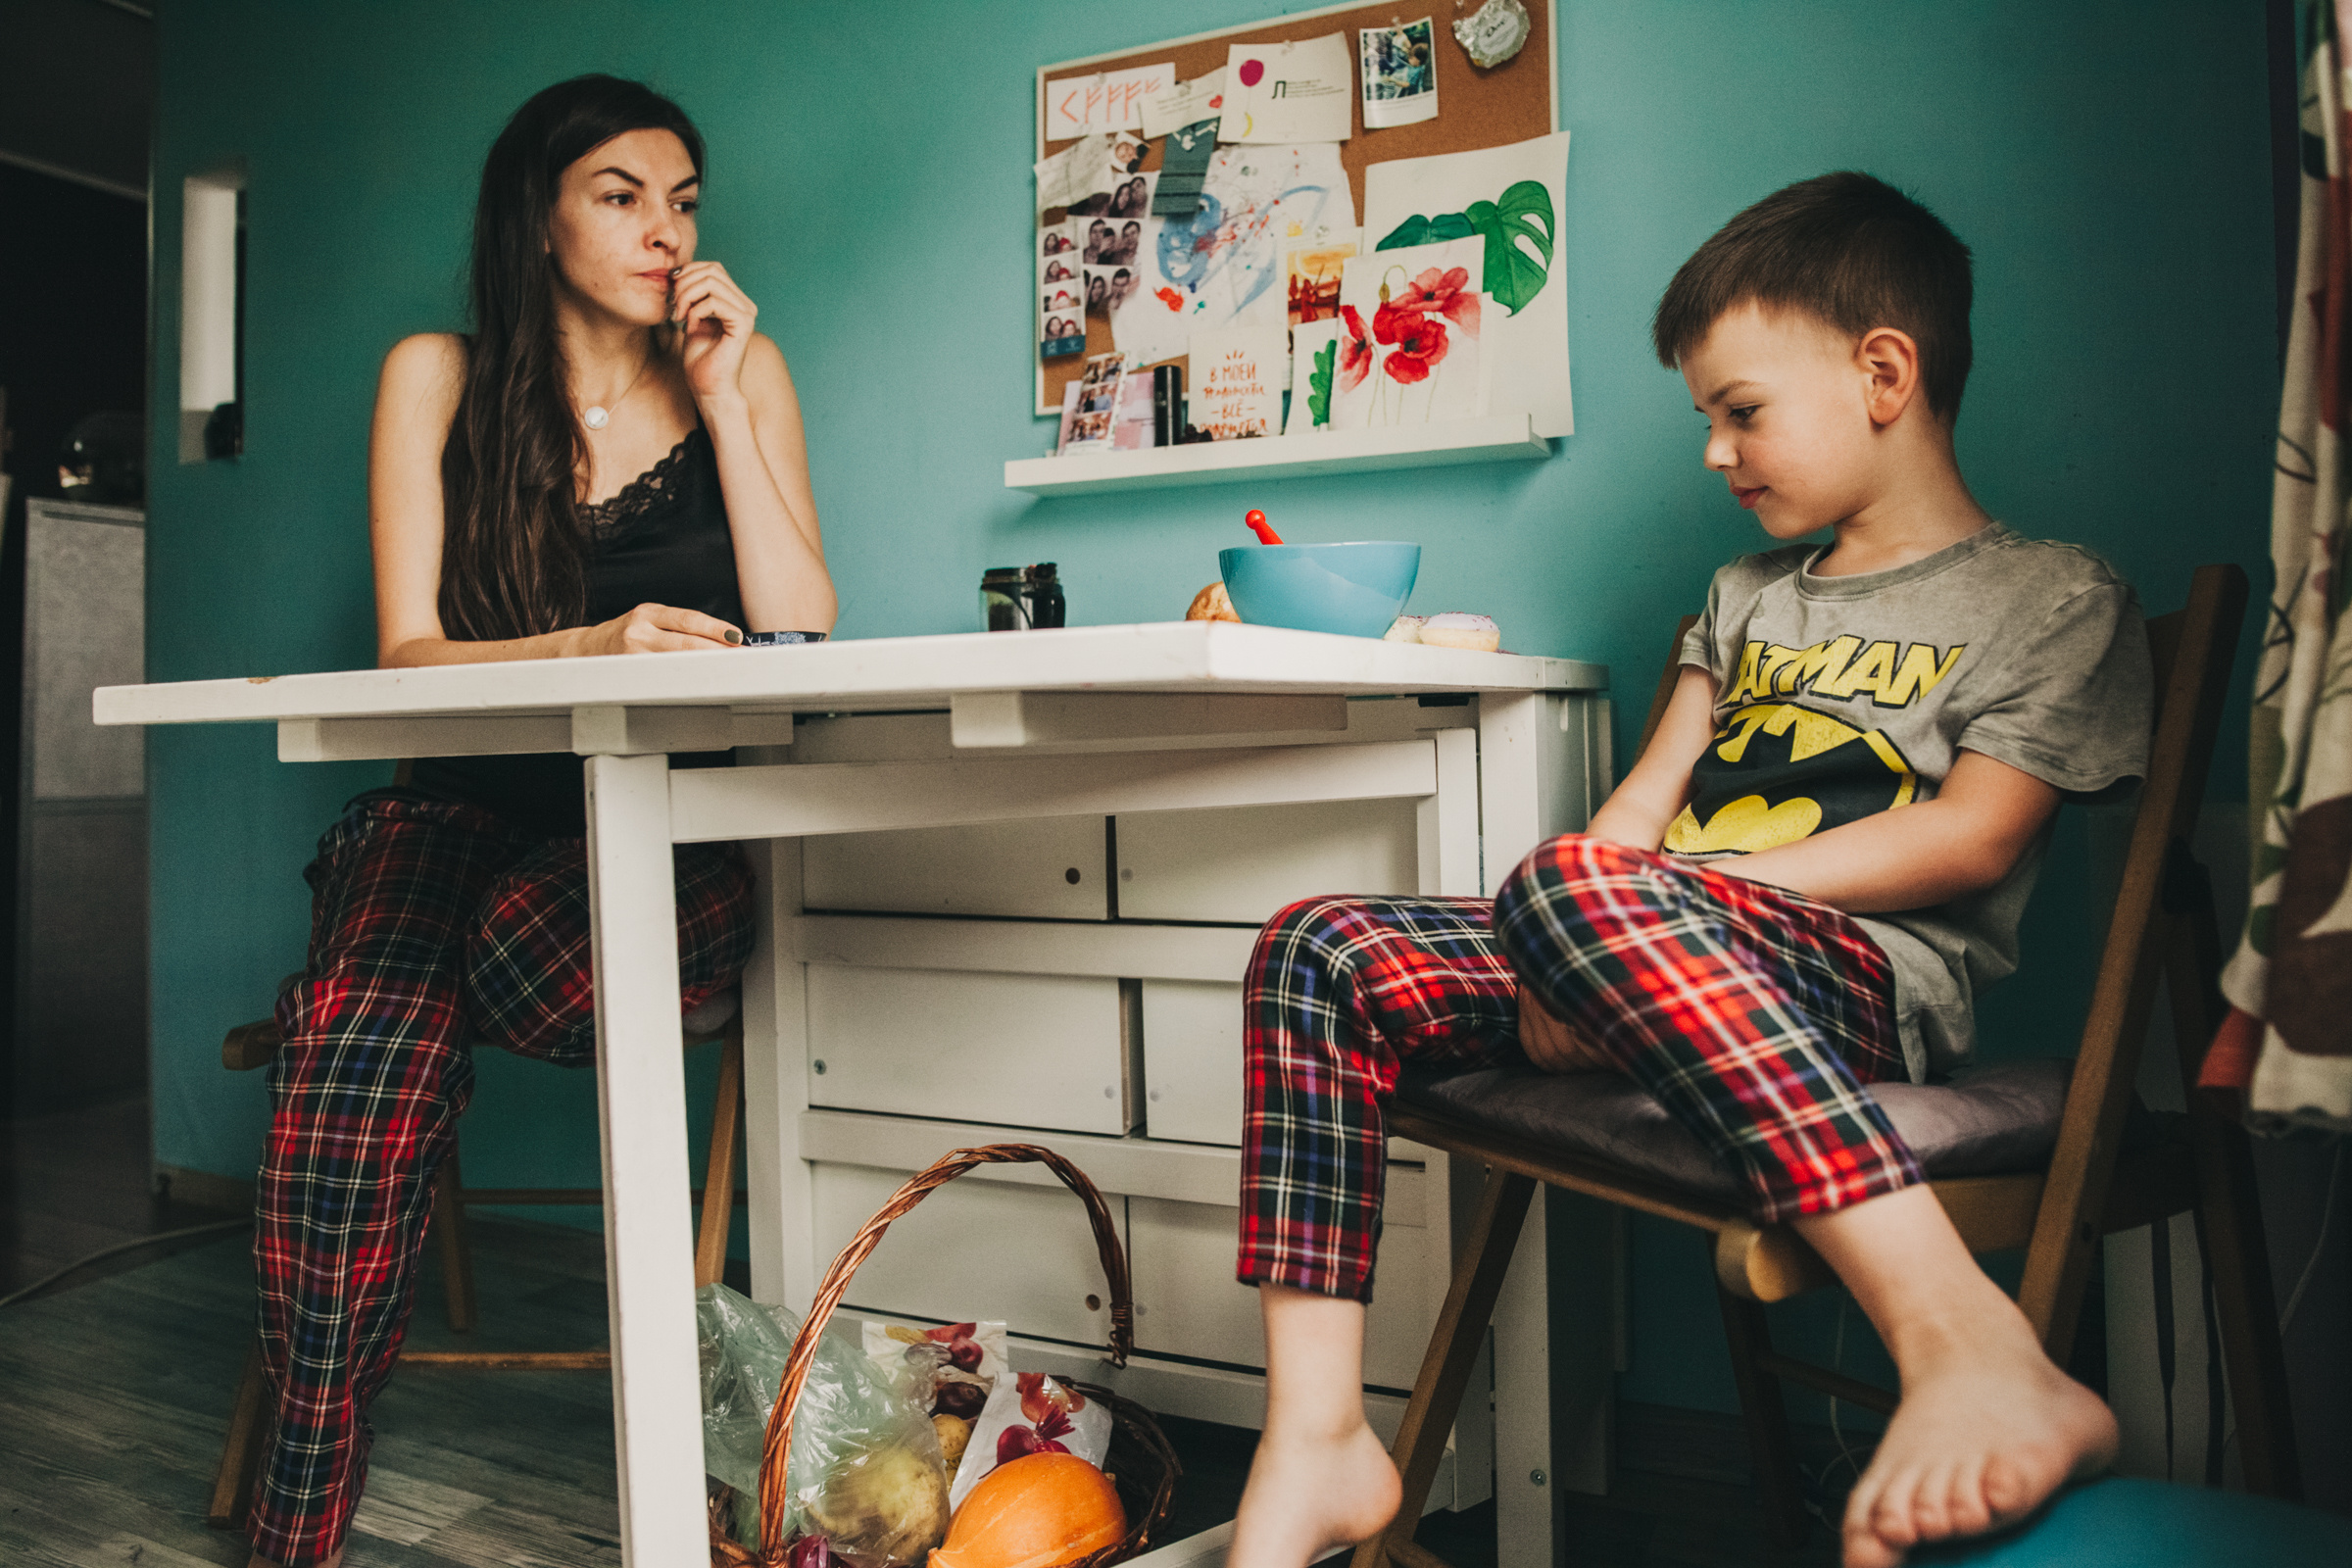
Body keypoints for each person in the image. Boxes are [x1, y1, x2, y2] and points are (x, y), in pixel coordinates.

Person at [1227, 172, 2136, 1568]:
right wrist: (1578, 943)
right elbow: (1629, 821)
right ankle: (1322, 1439)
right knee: (1319, 943)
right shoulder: (1743, 600)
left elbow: (1974, 838)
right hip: (1639, 944)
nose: (1716, 451)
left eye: (1741, 410)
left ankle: (1967, 1339)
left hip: (1857, 982)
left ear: (1883, 373)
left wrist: (1624, 922)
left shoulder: (2051, 595)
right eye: (1707, 418)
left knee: (1575, 897)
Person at [243, 74, 836, 1568]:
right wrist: (594, 640)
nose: (663, 229)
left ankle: (383, 998)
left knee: (421, 973)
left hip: (668, 842)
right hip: (456, 821)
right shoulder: (434, 375)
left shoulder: (743, 377)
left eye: (683, 200)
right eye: (621, 194)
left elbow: (803, 627)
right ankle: (295, 1527)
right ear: (540, 212)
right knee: (361, 1050)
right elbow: (405, 659)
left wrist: (717, 390)